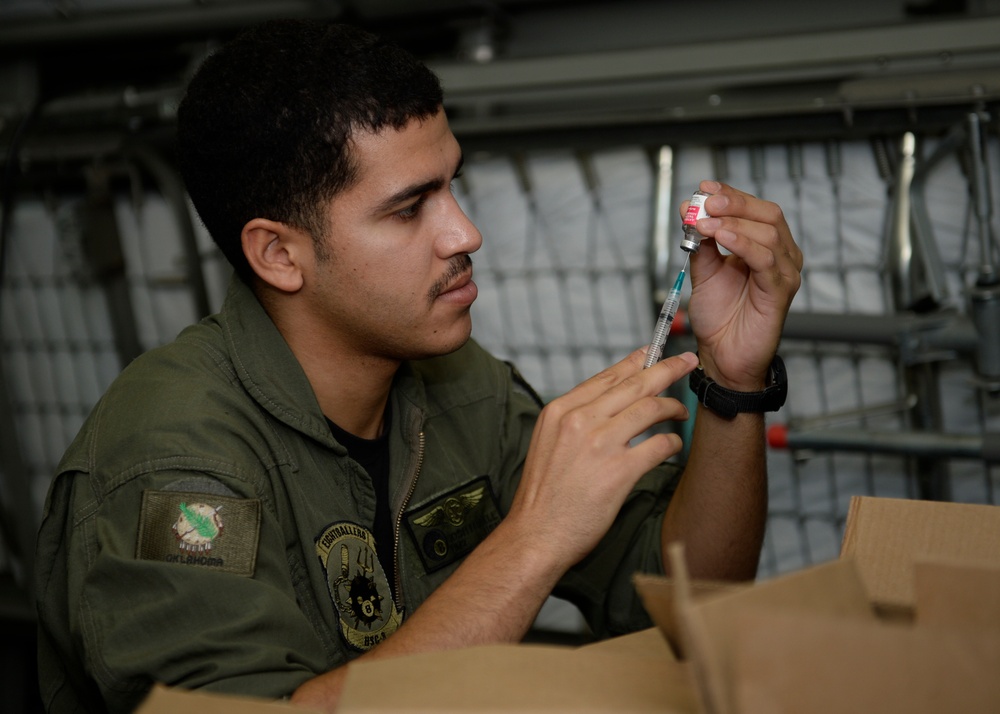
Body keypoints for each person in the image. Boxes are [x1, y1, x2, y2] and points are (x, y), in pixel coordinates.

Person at [34, 18, 801, 714]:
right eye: (410, 208)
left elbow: (682, 604)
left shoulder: (459, 387)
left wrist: (732, 379)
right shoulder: (173, 461)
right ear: (278, 254)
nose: (464, 232)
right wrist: (534, 538)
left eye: (453, 185)